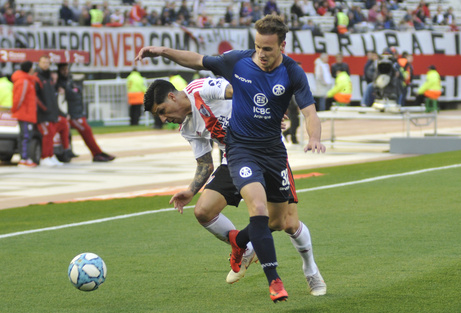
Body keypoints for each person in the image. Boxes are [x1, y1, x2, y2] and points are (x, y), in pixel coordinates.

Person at [136, 14, 326, 303]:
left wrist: (285, 119)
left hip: (272, 150)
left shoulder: (205, 90)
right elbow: (204, 163)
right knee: (219, 210)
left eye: (267, 49)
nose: (261, 54)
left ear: (281, 46)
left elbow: (241, 89)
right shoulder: (188, 124)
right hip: (238, 154)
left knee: (283, 223)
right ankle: (264, 271)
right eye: (258, 47)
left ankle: (305, 265)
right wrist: (190, 189)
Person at [56, 63, 115, 162]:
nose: (65, 71)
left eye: (66, 69)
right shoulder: (60, 83)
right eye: (63, 69)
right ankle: (96, 153)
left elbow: (77, 92)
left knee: (87, 131)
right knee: (86, 131)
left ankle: (97, 152)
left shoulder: (70, 81)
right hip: (71, 115)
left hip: (77, 113)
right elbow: (68, 96)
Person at [35, 55, 69, 167]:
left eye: (47, 62)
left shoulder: (48, 78)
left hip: (51, 113)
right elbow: (36, 96)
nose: (45, 64)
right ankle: (45, 157)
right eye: (43, 62)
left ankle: (50, 155)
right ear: (39, 63)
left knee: (51, 134)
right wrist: (44, 108)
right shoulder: (37, 77)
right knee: (47, 134)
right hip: (43, 113)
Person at [11, 61, 42, 167]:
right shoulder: (23, 81)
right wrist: (15, 110)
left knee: (26, 136)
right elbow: (18, 98)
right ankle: (24, 159)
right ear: (29, 68)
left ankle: (25, 158)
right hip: (24, 114)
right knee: (25, 137)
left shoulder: (28, 80)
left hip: (28, 114)